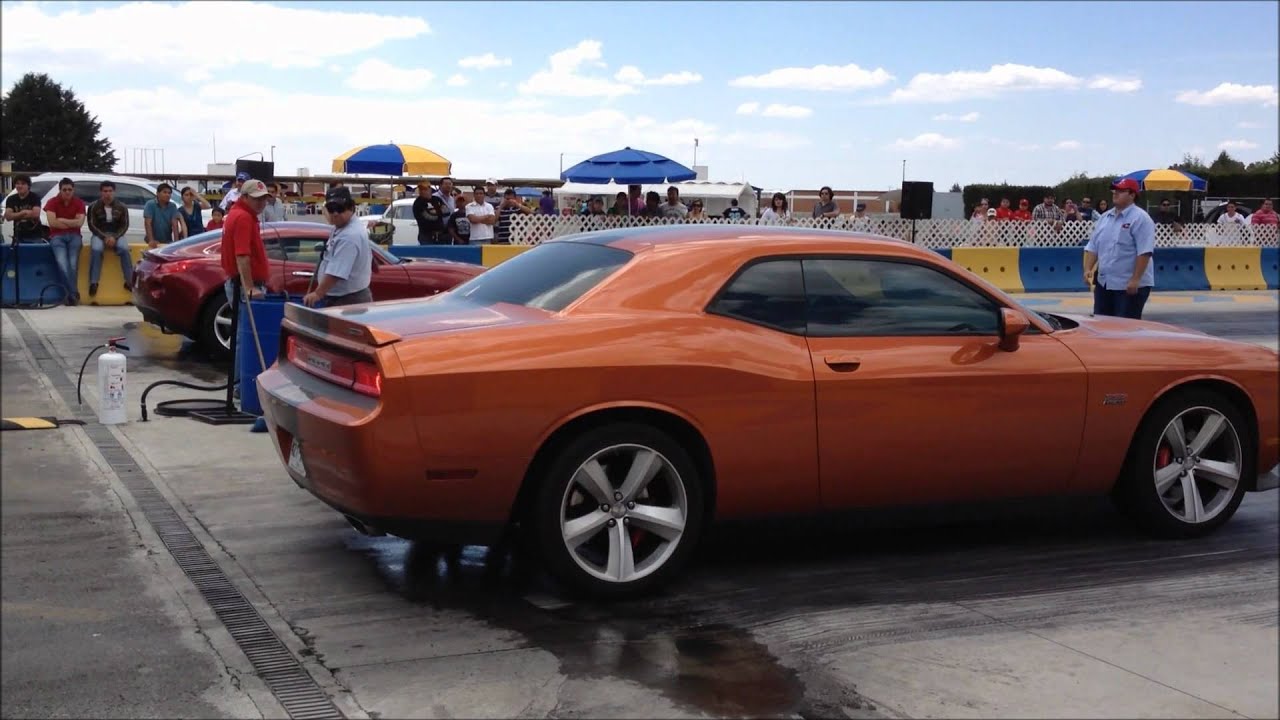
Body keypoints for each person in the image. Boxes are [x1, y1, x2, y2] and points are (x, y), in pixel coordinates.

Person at [1084, 178, 1155, 319]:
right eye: (1114, 190)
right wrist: (1087, 269)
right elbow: (1093, 246)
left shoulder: (1141, 218)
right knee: (1102, 323)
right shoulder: (1104, 218)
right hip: (1104, 283)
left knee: (1125, 326)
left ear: (1132, 195)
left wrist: (1135, 279)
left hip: (1127, 285)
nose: (1115, 193)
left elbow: (1144, 252)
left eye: (1121, 191)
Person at [304, 188, 372, 307]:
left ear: (351, 207)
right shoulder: (343, 227)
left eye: (340, 208)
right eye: (331, 209)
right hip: (346, 297)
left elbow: (336, 273)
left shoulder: (349, 235)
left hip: (348, 300)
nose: (335, 213)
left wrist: (318, 294)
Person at [220, 179, 271, 306]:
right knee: (250, 318)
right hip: (244, 286)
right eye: (256, 198)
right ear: (244, 197)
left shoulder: (236, 213)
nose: (261, 202)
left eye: (264, 198)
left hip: (237, 283)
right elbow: (242, 255)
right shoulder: (244, 217)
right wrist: (249, 287)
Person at [86, 180, 133, 299]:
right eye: (105, 191)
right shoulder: (93, 206)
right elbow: (92, 225)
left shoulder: (122, 207)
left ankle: (129, 281)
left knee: (124, 248)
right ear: (101, 192)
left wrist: (115, 237)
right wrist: (104, 237)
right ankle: (93, 282)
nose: (108, 194)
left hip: (117, 234)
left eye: (110, 191)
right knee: (96, 249)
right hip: (99, 234)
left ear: (114, 192)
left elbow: (125, 225)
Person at [44, 177, 87, 305]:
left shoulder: (79, 203)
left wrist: (62, 220)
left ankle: (70, 296)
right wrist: (71, 223)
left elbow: (79, 223)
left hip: (75, 236)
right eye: (64, 190)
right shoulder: (52, 202)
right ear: (60, 190)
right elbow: (52, 223)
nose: (67, 192)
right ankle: (73, 293)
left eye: (69, 189)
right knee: (62, 264)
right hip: (57, 237)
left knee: (73, 265)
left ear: (73, 190)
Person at [4, 174, 45, 243]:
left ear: (28, 185)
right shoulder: (11, 199)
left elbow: (35, 214)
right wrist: (23, 212)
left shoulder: (35, 197)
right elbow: (8, 217)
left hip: (35, 236)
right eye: (17, 183)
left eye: (23, 184)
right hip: (18, 236)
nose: (20, 186)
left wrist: (15, 215)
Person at [143, 184, 183, 248]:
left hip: (167, 241)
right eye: (164, 192)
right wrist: (151, 240)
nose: (167, 195)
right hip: (152, 241)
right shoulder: (150, 204)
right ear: (157, 193)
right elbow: (147, 223)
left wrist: (176, 243)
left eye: (169, 193)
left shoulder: (172, 206)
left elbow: (175, 225)